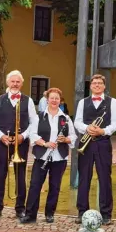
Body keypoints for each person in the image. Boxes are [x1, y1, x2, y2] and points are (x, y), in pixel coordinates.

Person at [20, 87, 77, 223]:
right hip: (42, 156)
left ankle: (49, 213)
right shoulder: (39, 117)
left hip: (59, 157)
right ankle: (30, 214)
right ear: (47, 100)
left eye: (57, 98)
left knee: (55, 186)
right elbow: (33, 134)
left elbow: (73, 136)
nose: (54, 100)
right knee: (35, 185)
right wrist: (45, 143)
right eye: (52, 98)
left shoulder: (66, 118)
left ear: (60, 101)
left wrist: (65, 139)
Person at [0, 70, 37, 219]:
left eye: (18, 82)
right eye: (13, 81)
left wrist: (23, 136)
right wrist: (1, 136)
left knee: (20, 175)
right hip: (4, 142)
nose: (15, 84)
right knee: (1, 173)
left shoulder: (28, 100)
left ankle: (20, 208)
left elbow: (34, 121)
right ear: (8, 82)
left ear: (21, 83)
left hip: (21, 142)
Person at [74, 74, 116, 225]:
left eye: (100, 83)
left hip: (103, 143)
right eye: (94, 83)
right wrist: (87, 128)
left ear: (104, 86)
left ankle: (106, 213)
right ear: (91, 86)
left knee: (105, 178)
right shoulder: (83, 102)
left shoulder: (112, 102)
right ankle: (82, 211)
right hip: (85, 144)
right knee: (84, 178)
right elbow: (77, 122)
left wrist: (102, 131)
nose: (97, 85)